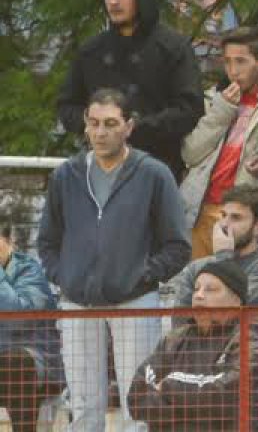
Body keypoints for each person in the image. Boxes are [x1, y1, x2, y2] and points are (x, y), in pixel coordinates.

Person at [37, 88, 191, 431]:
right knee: (82, 401)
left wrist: (140, 277)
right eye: (93, 123)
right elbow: (47, 241)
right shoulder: (66, 175)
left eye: (110, 123)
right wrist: (67, 277)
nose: (100, 132)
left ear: (129, 126)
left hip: (135, 301)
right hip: (77, 301)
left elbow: (178, 245)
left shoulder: (154, 174)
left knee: (137, 401)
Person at [57, 0, 203, 179]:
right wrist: (98, 126)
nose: (114, 1)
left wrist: (134, 129)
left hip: (157, 166)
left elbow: (189, 109)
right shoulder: (91, 51)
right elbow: (67, 105)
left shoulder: (173, 47)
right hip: (99, 167)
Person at [128, 260, 258, 431]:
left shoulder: (250, 342)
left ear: (236, 301)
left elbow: (226, 394)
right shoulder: (174, 339)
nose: (199, 295)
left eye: (210, 289)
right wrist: (196, 407)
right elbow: (136, 398)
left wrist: (170, 385)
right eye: (196, 288)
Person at [180, 27, 258, 260]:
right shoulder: (212, 98)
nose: (233, 71)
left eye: (241, 62)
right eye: (227, 62)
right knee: (200, 285)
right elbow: (190, 153)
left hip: (248, 214)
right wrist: (222, 111)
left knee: (241, 288)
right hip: (203, 210)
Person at [169, 184, 258, 314]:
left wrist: (223, 256)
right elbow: (181, 324)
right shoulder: (195, 268)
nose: (224, 224)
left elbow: (228, 315)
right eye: (223, 215)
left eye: (236, 218)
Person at [0, 224, 64, 432]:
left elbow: (18, 319)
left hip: (36, 365)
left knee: (16, 361)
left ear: (8, 242)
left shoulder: (29, 270)